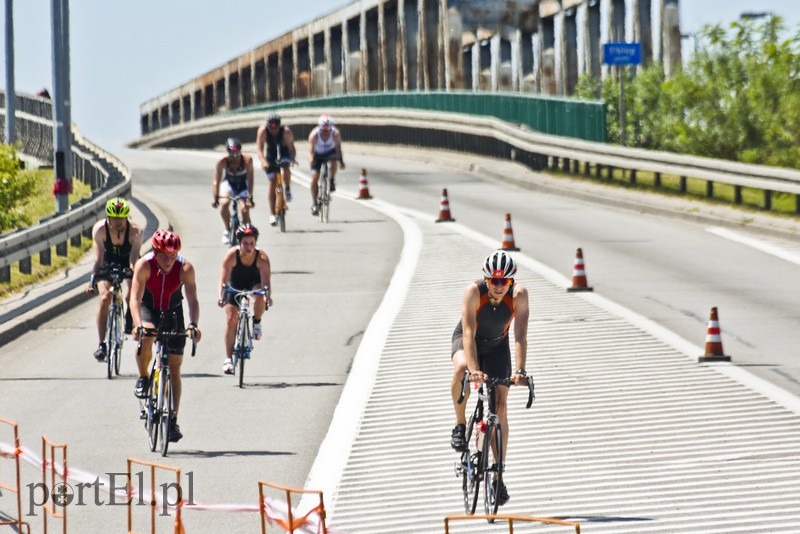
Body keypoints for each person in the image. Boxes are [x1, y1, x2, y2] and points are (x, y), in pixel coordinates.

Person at [449, 250, 529, 507]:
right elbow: (469, 332)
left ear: (511, 281)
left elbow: (519, 336)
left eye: (503, 282)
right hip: (468, 340)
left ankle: (498, 473)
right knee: (461, 368)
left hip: (497, 346)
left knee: (501, 408)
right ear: (486, 279)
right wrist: (473, 369)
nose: (497, 287)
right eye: (493, 281)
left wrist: (520, 370)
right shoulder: (474, 291)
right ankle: (460, 425)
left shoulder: (519, 296)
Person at [130, 230, 202, 443]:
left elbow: (193, 300)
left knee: (175, 366)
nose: (169, 260)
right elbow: (135, 299)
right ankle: (143, 377)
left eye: (173, 255)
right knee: (147, 336)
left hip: (173, 311)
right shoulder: (145, 265)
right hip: (149, 308)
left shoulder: (185, 268)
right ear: (155, 251)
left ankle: (172, 421)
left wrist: (194, 325)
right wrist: (137, 325)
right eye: (164, 255)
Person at [86, 197, 144, 361]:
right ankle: (101, 344)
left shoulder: (136, 231)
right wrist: (92, 281)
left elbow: (134, 259)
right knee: (105, 298)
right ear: (108, 218)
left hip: (128, 260)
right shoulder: (100, 230)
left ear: (127, 218)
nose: (118, 222)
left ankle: (128, 316)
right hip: (107, 261)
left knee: (133, 293)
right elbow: (98, 259)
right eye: (114, 218)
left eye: (121, 219)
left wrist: (133, 275)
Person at [216, 224, 272, 374]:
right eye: (245, 243)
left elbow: (266, 283)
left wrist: (268, 296)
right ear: (239, 243)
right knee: (230, 318)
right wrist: (220, 295)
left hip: (254, 283)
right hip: (235, 284)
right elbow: (223, 279)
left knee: (260, 294)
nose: (249, 247)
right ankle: (228, 359)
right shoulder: (231, 255)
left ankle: (257, 322)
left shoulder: (262, 258)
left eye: (252, 243)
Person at [256, 113, 297, 226]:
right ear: (267, 125)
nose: (273, 130)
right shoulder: (263, 131)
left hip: (283, 152)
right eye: (271, 127)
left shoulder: (286, 131)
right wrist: (264, 162)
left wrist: (292, 159)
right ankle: (272, 214)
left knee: (287, 168)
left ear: (279, 125)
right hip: (270, 155)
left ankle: (287, 188)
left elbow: (291, 148)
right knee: (272, 182)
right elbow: (259, 150)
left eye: (276, 127)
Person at [212, 138, 255, 244]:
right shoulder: (222, 161)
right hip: (229, 184)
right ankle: (227, 230)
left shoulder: (247, 160)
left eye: (236, 154)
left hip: (242, 185)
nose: (234, 157)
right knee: (224, 204)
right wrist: (216, 198)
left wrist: (250, 197)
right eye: (231, 154)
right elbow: (216, 181)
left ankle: (246, 232)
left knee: (245, 209)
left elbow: (250, 179)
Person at [308, 113, 345, 216]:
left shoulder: (335, 134)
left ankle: (332, 179)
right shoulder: (314, 135)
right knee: (315, 178)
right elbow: (310, 152)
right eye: (323, 130)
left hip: (330, 152)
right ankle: (315, 203)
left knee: (334, 160)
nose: (325, 133)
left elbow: (338, 150)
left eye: (327, 130)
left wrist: (340, 161)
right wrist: (311, 160)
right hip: (317, 155)